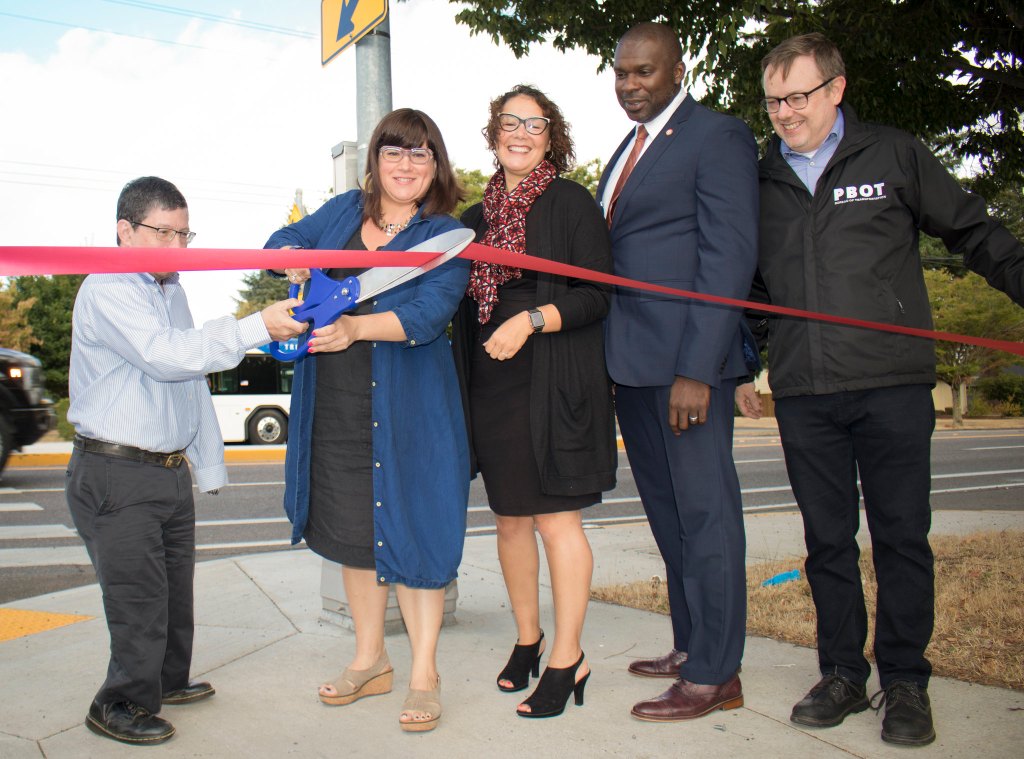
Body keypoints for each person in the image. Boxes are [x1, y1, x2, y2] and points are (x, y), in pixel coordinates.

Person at [738, 33, 1024, 747]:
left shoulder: (894, 154)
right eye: (773, 101)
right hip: (805, 391)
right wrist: (745, 363)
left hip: (892, 383)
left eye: (797, 97)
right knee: (826, 543)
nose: (783, 113)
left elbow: (975, 233)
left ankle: (904, 681)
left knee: (901, 538)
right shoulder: (760, 177)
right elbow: (752, 289)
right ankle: (841, 672)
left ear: (836, 89)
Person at [66, 176, 307, 746]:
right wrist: (256, 325)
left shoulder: (167, 289)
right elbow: (168, 356)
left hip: (164, 470)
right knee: (139, 599)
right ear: (125, 231)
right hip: (115, 472)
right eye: (163, 233)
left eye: (185, 233)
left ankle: (165, 680)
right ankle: (118, 703)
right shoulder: (109, 287)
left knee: (174, 591)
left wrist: (205, 462)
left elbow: (189, 381)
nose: (178, 248)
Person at [264, 108, 470, 733]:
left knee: (416, 531)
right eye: (394, 151)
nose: (406, 164)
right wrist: (293, 260)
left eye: (420, 153)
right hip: (336, 402)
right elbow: (278, 243)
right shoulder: (343, 214)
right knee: (356, 532)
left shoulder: (445, 235)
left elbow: (431, 313)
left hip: (410, 408)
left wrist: (354, 326)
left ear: (435, 166)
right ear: (374, 160)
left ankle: (424, 673)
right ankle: (369, 658)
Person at [598, 22, 759, 721]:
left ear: (678, 69)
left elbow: (729, 256)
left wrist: (698, 367)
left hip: (686, 371)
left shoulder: (715, 137)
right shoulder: (625, 152)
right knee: (669, 518)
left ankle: (718, 673)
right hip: (632, 368)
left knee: (707, 515)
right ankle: (692, 645)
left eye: (645, 72)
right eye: (621, 73)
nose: (631, 85)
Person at [451, 84, 616, 718]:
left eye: (536, 124)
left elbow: (598, 295)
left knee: (556, 522)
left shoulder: (573, 203)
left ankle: (568, 657)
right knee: (511, 519)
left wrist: (533, 319)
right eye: (510, 122)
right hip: (492, 387)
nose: (521, 132)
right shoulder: (471, 220)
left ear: (552, 137)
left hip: (554, 380)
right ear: (493, 133)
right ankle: (529, 638)